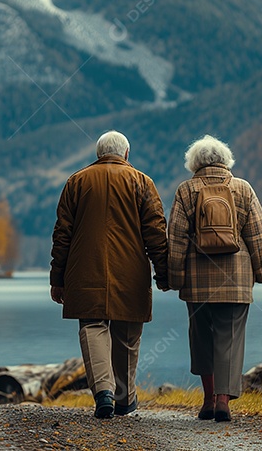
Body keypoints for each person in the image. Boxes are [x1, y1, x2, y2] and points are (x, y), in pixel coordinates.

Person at [49, 130, 169, 419]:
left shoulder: (76, 182)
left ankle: (103, 392)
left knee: (92, 326)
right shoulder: (143, 182)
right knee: (127, 332)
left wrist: (58, 278)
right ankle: (124, 397)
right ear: (126, 154)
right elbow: (156, 232)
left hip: (83, 269)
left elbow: (62, 234)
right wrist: (164, 272)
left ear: (99, 154)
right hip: (131, 271)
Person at [166, 135, 262, 422]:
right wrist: (260, 271)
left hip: (197, 282)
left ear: (194, 163)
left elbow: (175, 239)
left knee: (202, 339)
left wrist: (175, 278)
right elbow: (260, 236)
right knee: (229, 339)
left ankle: (208, 400)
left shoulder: (186, 191)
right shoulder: (243, 189)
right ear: (226, 161)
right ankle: (224, 402)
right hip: (236, 278)